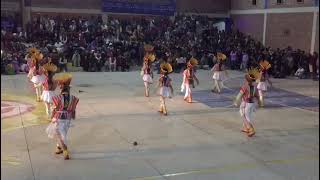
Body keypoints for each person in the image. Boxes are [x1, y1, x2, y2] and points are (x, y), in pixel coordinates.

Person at [46, 73, 79, 160]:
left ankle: (65, 151)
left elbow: (54, 109)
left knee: (60, 135)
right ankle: (59, 147)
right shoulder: (73, 98)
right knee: (64, 133)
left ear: (61, 88)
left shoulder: (58, 98)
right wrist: (73, 117)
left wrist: (51, 117)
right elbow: (73, 110)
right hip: (67, 119)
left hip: (59, 118)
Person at [234, 67, 261, 137]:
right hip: (252, 103)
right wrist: (259, 102)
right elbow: (257, 95)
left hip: (246, 103)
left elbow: (239, 95)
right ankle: (246, 128)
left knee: (244, 116)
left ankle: (251, 129)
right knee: (249, 116)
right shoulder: (255, 85)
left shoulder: (245, 86)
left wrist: (236, 101)